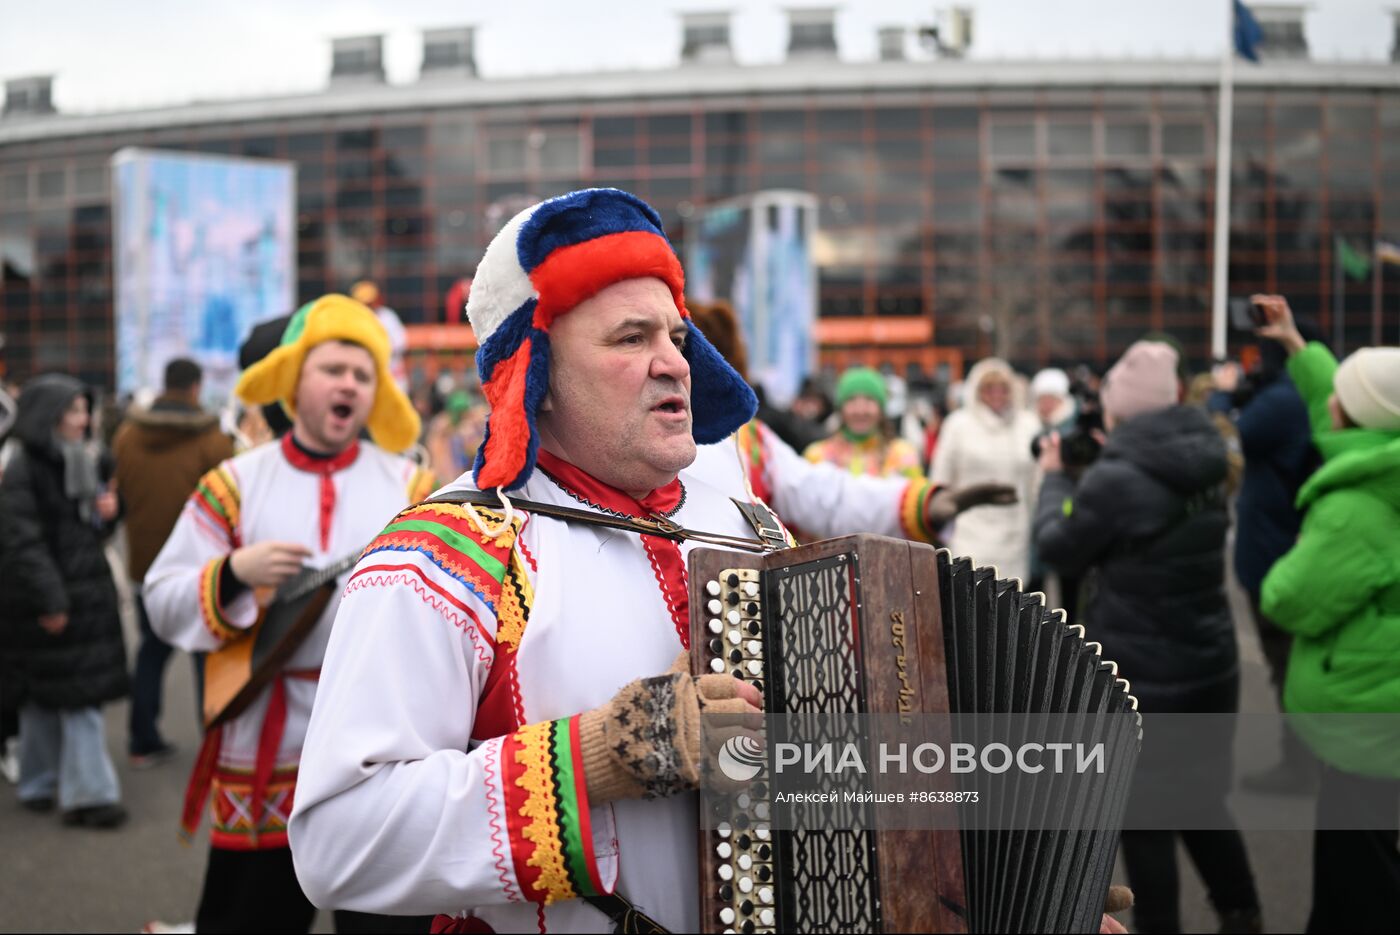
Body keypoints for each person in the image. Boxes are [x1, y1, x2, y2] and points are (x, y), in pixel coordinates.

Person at [142, 295, 435, 933]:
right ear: (295, 381)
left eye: (362, 375)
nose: (349, 384)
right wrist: (233, 573)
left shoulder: (412, 488)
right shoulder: (234, 484)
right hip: (265, 758)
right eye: (333, 369)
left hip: (378, 755)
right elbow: (161, 601)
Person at [1033, 340, 1262, 934]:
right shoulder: (1207, 456)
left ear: (1120, 407)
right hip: (1208, 664)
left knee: (1142, 818)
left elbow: (1058, 547)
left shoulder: (1119, 478)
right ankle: (1242, 912)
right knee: (1202, 800)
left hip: (1141, 676)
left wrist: (1055, 481)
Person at [1253, 294, 1400, 935]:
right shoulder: (1385, 460)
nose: (1329, 402)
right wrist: (1295, 343)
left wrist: (1287, 562)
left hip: (1365, 724)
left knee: (1359, 879)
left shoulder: (1356, 510)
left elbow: (1288, 598)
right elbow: (1337, 408)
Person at [685, 298, 1014, 543]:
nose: (673, 365)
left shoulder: (749, 442)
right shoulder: (818, 451)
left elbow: (830, 498)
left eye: (679, 344)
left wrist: (922, 504)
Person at [0, 374, 128, 828]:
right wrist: (51, 600)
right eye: (73, 410)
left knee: (45, 694)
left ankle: (38, 783)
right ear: (47, 417)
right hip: (48, 598)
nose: (83, 419)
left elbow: (90, 529)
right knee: (76, 698)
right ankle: (90, 796)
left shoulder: (85, 459)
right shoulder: (24, 468)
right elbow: (22, 542)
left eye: (84, 409)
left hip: (75, 593)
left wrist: (111, 514)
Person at [1208, 334, 1318, 794]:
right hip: (1278, 546)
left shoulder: (1281, 401)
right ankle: (1303, 761)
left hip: (1274, 556)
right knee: (1289, 664)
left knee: (1286, 663)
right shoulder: (1291, 396)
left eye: (1258, 356)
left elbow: (1226, 441)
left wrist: (1222, 395)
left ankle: (1301, 765)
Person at [113, 357, 235, 768]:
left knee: (151, 652)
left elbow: (122, 494)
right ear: (195, 387)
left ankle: (141, 740)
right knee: (207, 657)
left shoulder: (128, 436)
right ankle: (215, 750)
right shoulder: (212, 440)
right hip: (202, 570)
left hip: (146, 566)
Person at [931, 357, 1041, 581]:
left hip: (1015, 530)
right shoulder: (958, 425)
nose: (996, 395)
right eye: (989, 388)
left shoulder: (1029, 425)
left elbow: (1037, 479)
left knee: (1013, 594)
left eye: (1003, 389)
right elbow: (941, 477)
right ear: (977, 391)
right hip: (968, 529)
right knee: (970, 591)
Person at [803, 366, 924, 479]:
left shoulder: (902, 456)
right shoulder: (817, 456)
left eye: (869, 400)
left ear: (881, 409)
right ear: (841, 408)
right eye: (852, 400)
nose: (860, 411)